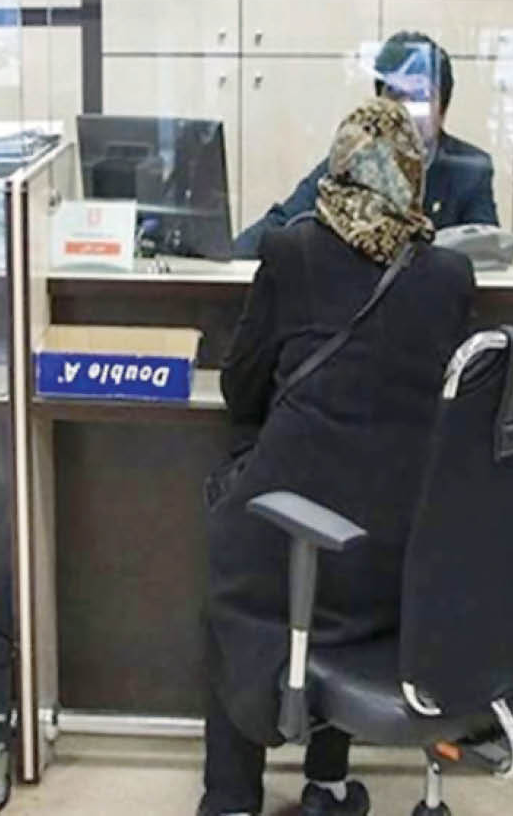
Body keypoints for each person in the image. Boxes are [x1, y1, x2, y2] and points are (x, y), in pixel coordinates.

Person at [202, 99, 476, 816]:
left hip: (293, 538)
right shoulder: (450, 277)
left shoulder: (291, 253)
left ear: (338, 167)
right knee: (334, 590)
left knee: (239, 584)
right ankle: (326, 783)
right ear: (414, 177)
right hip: (398, 555)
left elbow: (240, 387)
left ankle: (230, 799)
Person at [234, 31, 496, 259]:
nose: (404, 109)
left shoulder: (469, 170)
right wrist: (227, 260)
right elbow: (282, 223)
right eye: (395, 94)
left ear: (443, 109)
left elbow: (489, 256)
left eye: (419, 96)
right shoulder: (354, 160)